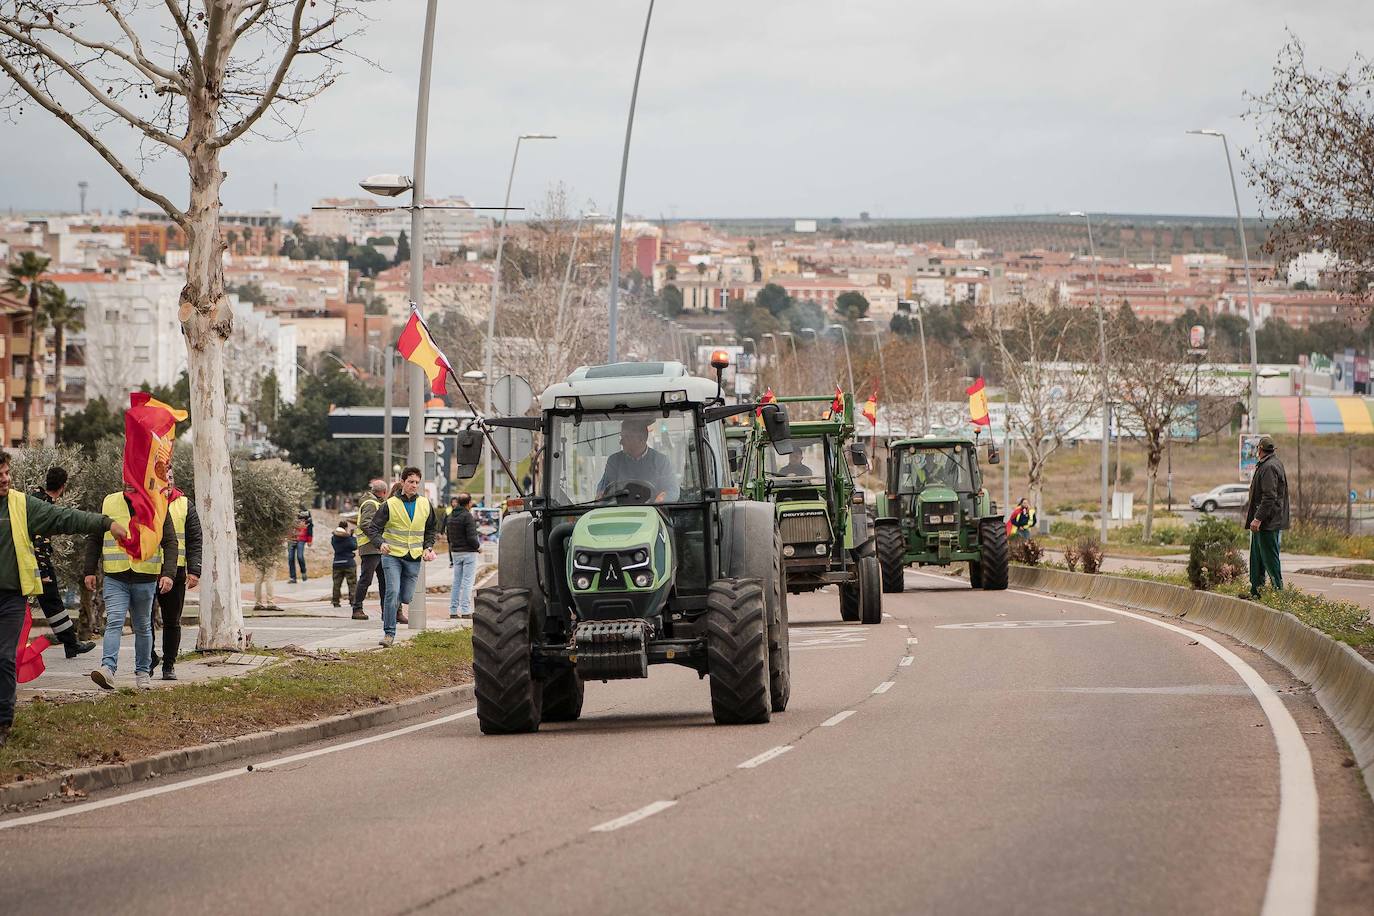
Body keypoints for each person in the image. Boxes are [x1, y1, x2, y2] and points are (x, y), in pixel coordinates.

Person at [0, 452, 126, 747]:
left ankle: (4, 724)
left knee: (4, 657)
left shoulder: (21, 505)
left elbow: (66, 517)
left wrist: (106, 523)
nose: (5, 479)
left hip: (11, 599)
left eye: (6, 472)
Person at [84, 486, 176, 691]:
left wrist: (168, 574)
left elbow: (170, 541)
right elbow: (95, 537)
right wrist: (89, 570)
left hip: (145, 578)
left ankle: (143, 673)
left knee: (143, 626)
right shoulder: (110, 501)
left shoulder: (158, 504)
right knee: (114, 620)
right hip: (115, 576)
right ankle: (107, 669)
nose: (129, 481)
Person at [363, 467, 437, 647]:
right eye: (411, 482)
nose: (414, 485)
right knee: (392, 593)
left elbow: (431, 529)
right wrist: (380, 543)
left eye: (417, 482)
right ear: (403, 482)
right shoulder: (390, 504)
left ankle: (397, 611)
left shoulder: (425, 504)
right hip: (392, 556)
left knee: (405, 597)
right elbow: (373, 528)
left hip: (414, 558)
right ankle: (389, 634)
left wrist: (428, 547)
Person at [29, 466, 96, 658]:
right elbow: (39, 541)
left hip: (27, 563)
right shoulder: (46, 507)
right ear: (63, 487)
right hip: (37, 566)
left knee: (51, 604)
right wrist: (42, 573)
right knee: (53, 603)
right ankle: (71, 644)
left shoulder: (34, 497)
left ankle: (70, 644)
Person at [150, 471, 202, 680]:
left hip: (176, 572)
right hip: (148, 570)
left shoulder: (185, 504)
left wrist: (195, 570)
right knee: (143, 620)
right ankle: (150, 656)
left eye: (170, 478)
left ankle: (169, 665)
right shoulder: (147, 503)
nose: (168, 482)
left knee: (172, 621)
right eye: (164, 478)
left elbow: (195, 539)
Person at [1243, 435, 1289, 598]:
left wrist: (1258, 518)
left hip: (1267, 522)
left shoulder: (1269, 467)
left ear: (1260, 450)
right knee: (1257, 558)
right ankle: (1256, 591)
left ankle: (1279, 592)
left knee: (1269, 558)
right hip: (1263, 522)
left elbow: (1269, 496)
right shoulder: (1269, 463)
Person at [597, 418, 679, 502]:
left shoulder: (661, 461)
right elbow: (603, 490)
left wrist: (660, 499)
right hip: (620, 511)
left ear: (641, 439)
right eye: (621, 437)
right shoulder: (614, 461)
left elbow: (672, 491)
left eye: (626, 437)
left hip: (652, 511)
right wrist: (601, 496)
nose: (621, 442)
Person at [352, 479, 389, 622]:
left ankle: (386, 612)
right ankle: (357, 608)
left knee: (383, 580)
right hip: (370, 546)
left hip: (377, 547)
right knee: (366, 579)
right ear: (384, 492)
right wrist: (377, 540)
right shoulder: (370, 503)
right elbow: (365, 524)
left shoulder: (374, 502)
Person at [446, 492, 480, 619]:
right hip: (468, 553)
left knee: (456, 582)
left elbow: (448, 535)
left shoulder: (450, 516)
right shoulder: (467, 516)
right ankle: (465, 610)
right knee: (467, 582)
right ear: (469, 503)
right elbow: (472, 537)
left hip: (455, 552)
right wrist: (478, 547)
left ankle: (453, 610)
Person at [331, 519, 359, 609]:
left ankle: (335, 601)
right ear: (346, 528)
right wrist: (353, 537)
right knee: (352, 584)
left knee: (336, 584)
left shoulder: (334, 538)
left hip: (337, 563)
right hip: (349, 563)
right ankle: (353, 601)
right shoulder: (347, 538)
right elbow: (354, 546)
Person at [288, 508, 313, 583]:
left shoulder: (306, 513)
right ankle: (293, 577)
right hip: (291, 539)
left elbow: (310, 527)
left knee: (300, 556)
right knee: (290, 558)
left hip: (301, 539)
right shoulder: (289, 513)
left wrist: (310, 540)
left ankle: (303, 571)